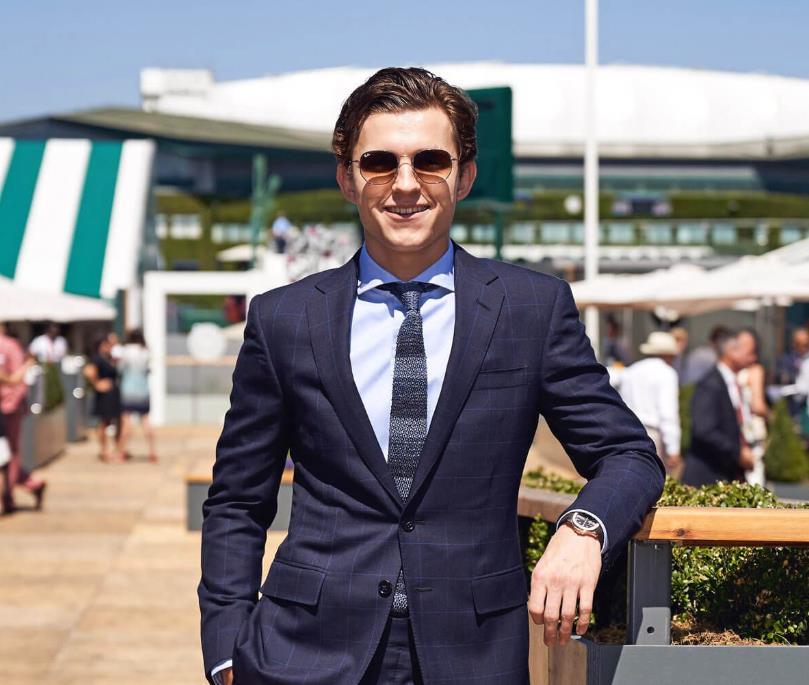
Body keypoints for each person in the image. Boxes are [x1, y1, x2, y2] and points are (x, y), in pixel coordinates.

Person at [198, 67, 664, 685]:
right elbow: (238, 496)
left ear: (464, 176)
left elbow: (629, 455)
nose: (406, 185)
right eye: (380, 163)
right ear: (347, 177)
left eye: (430, 161)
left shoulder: (531, 309)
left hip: (473, 654)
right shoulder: (284, 318)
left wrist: (585, 528)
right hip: (302, 653)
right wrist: (228, 648)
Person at [682, 329, 758, 487]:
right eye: (748, 351)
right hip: (707, 478)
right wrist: (738, 453)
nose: (753, 357)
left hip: (724, 473)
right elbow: (704, 429)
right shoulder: (710, 385)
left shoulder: (731, 382)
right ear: (731, 352)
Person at [618, 331, 682, 477]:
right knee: (655, 480)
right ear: (668, 355)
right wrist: (673, 448)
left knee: (632, 477)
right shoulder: (667, 373)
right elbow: (668, 413)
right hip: (653, 435)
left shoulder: (632, 370)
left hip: (628, 430)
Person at [0, 322, 46, 513]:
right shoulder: (11, 346)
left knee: (8, 454)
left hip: (8, 408)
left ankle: (9, 496)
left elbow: (16, 382)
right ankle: (30, 483)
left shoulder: (10, 346)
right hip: (7, 406)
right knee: (6, 455)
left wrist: (11, 403)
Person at [84, 333, 124, 463]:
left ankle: (115, 449)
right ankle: (104, 450)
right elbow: (88, 371)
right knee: (103, 423)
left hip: (113, 394)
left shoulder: (110, 357)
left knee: (116, 422)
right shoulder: (97, 358)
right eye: (106, 344)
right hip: (104, 395)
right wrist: (97, 384)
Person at [119, 330, 157, 463]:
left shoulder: (126, 351)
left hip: (128, 389)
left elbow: (121, 368)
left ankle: (121, 451)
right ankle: (152, 451)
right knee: (146, 421)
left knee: (126, 422)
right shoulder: (145, 351)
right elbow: (148, 369)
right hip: (143, 390)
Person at [775, 327, 809, 419]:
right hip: (792, 406)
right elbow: (782, 378)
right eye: (803, 345)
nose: (806, 348)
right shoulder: (786, 360)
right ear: (795, 344)